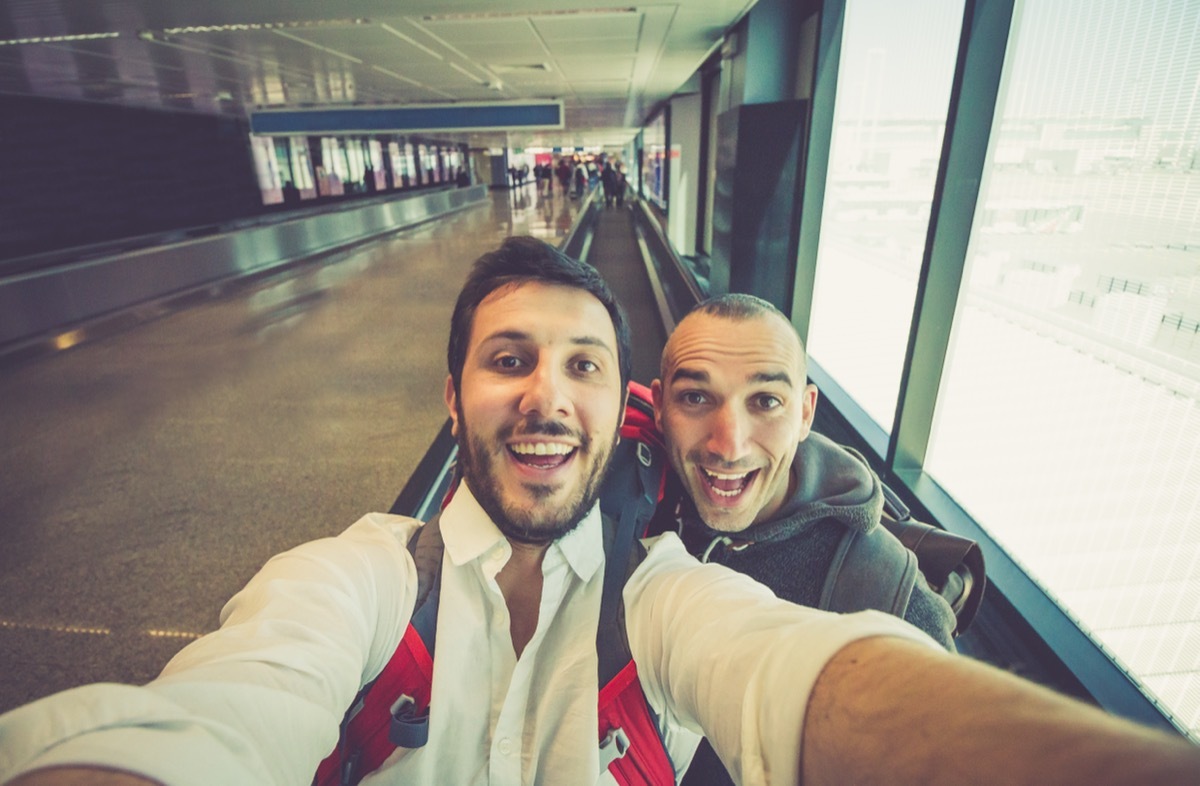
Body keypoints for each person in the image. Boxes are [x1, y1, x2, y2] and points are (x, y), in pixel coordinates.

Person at [3, 239, 1199, 786]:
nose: (543, 391)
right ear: (451, 395)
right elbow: (230, 705)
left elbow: (788, 666)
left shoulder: (664, 590)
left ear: (607, 405)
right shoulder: (362, 576)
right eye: (508, 358)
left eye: (579, 363)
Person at [651, 293, 957, 785]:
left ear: (805, 413)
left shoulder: (885, 596)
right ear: (660, 407)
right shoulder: (634, 508)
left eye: (766, 401)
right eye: (695, 397)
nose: (729, 444)